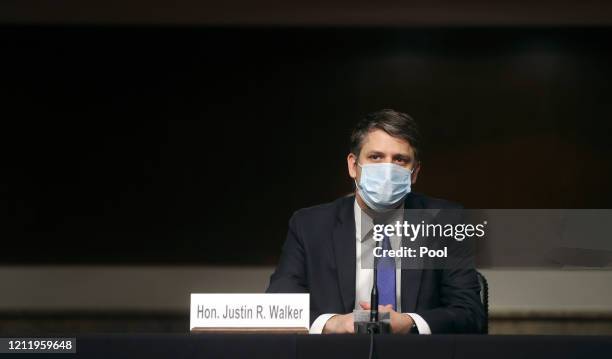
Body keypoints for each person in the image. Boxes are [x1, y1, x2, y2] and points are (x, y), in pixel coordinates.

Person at [267, 109, 485, 334]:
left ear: (414, 173)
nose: (387, 170)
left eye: (400, 160)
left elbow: (469, 313)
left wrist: (410, 323)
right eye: (376, 157)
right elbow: (279, 307)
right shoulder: (309, 226)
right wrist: (333, 324)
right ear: (353, 166)